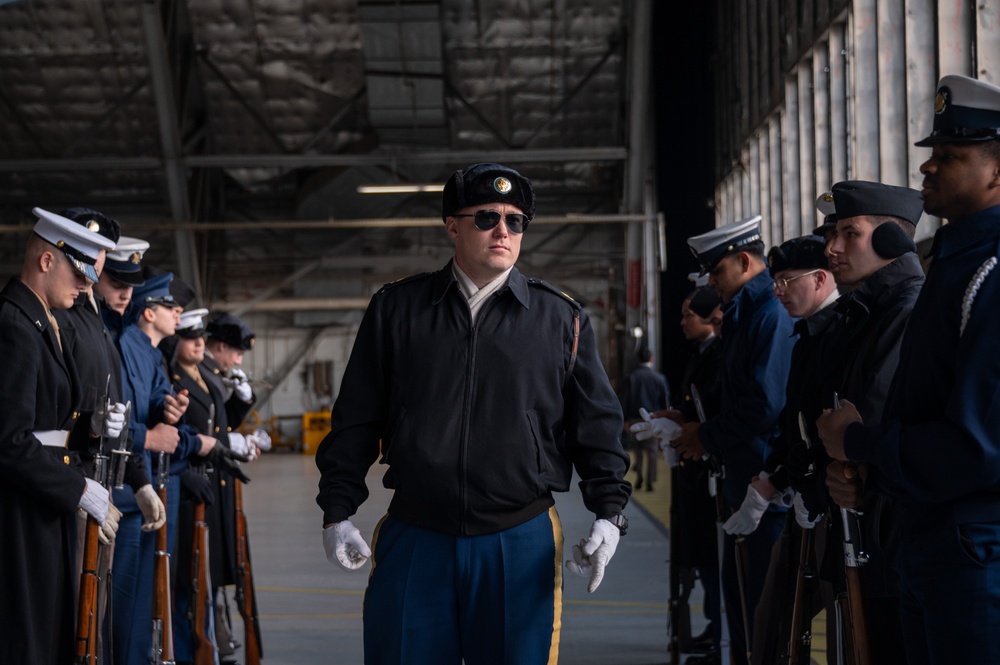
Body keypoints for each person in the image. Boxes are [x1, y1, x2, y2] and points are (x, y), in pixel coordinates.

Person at [315, 162, 631, 664]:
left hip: (519, 536)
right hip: (417, 534)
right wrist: (338, 508)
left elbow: (596, 424)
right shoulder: (397, 310)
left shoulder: (560, 318)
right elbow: (357, 416)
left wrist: (609, 513)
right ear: (452, 226)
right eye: (487, 217)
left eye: (516, 220)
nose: (503, 230)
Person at [818, 74, 1000, 665]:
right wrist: (872, 471)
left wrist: (862, 442)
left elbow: (977, 446)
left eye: (950, 156)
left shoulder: (990, 272)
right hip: (930, 537)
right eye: (931, 154)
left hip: (976, 548)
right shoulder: (953, 257)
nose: (928, 168)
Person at [0, 207, 121, 665]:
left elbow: (47, 417)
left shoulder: (40, 319)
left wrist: (90, 426)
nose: (88, 284)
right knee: (30, 638)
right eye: (80, 271)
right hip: (23, 514)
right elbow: (9, 439)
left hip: (44, 504)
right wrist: (76, 488)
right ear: (46, 261)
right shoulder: (14, 324)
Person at [673, 215, 796, 665]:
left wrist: (705, 435)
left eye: (717, 271)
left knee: (765, 611)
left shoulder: (768, 315)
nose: (712, 283)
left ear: (744, 261)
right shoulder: (747, 314)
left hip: (764, 487)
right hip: (742, 480)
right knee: (744, 601)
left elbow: (765, 403)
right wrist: (688, 419)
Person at [54, 209, 167, 664]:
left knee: (100, 616)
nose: (125, 292)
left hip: (107, 484)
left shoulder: (100, 324)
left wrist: (139, 480)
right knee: (81, 619)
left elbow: (115, 409)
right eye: (112, 276)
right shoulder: (70, 321)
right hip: (79, 484)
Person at [730, 235, 842, 665]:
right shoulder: (809, 333)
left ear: (819, 279)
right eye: (774, 282)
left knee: (837, 619)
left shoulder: (839, 332)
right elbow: (793, 422)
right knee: (774, 615)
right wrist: (774, 478)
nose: (778, 292)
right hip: (802, 497)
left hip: (832, 505)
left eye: (785, 281)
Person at [620, 347, 670, 491]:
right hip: (654, 419)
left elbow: (625, 399)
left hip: (635, 419)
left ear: (638, 359)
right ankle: (650, 480)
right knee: (653, 451)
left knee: (638, 450)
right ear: (651, 359)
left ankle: (640, 475)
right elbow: (665, 399)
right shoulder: (659, 377)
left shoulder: (632, 377)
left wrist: (625, 419)